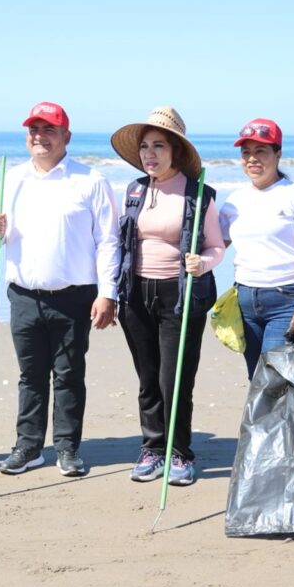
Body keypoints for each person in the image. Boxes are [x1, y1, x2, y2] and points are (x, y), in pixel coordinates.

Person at [0, 101, 120, 478]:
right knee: (30, 375)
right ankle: (28, 447)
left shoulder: (90, 180)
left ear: (66, 136)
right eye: (33, 130)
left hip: (75, 295)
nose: (39, 137)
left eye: (48, 130)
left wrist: (107, 293)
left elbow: (109, 241)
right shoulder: (11, 178)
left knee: (68, 374)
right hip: (24, 293)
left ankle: (66, 448)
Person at [110, 107, 225, 486]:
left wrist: (202, 263)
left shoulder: (198, 193)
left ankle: (180, 454)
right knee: (147, 378)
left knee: (174, 379)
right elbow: (118, 243)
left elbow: (216, 246)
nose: (150, 154)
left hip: (181, 293)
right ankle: (153, 449)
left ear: (175, 150)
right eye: (145, 147)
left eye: (158, 146)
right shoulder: (134, 190)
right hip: (136, 294)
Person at [218, 117, 294, 379]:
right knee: (256, 379)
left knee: (276, 379)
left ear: (278, 154)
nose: (252, 159)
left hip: (286, 300)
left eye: (260, 151)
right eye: (246, 153)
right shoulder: (235, 201)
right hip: (244, 300)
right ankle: (262, 422)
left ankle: (278, 422)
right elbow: (215, 246)